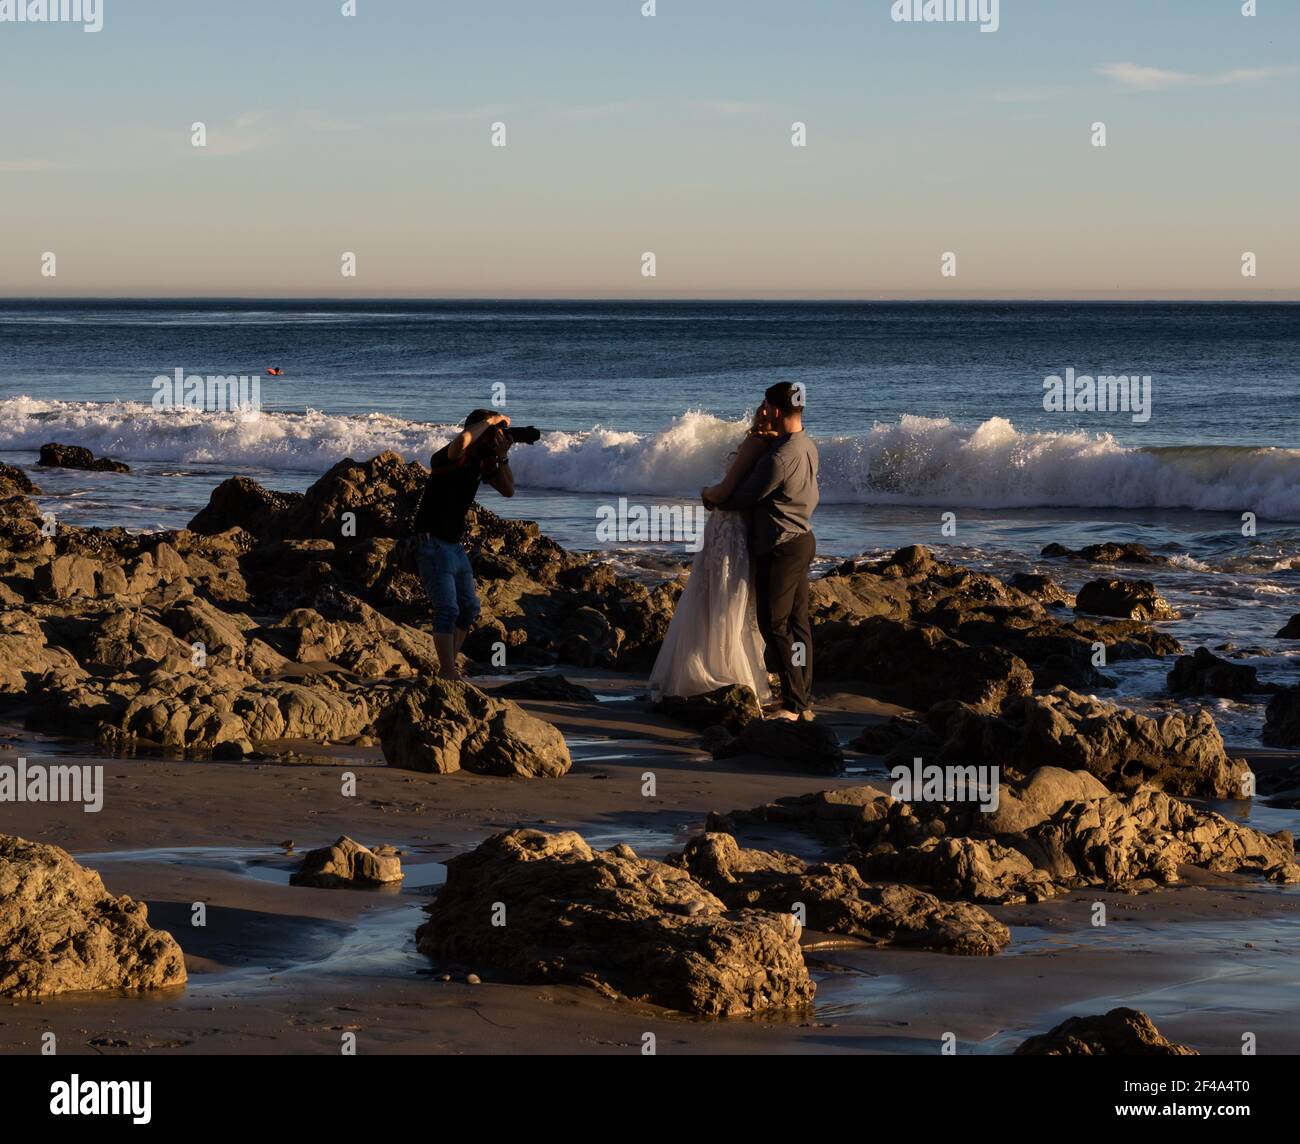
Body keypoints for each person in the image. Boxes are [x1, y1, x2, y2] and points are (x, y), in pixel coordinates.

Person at [647, 406, 778, 705]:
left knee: (713, 595)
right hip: (747, 527)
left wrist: (706, 492)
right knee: (735, 596)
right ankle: (741, 668)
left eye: (764, 406)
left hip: (727, 525)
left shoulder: (756, 442)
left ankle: (711, 667)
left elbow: (725, 489)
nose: (759, 410)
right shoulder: (778, 446)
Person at [714, 381, 819, 720]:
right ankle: (801, 698)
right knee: (798, 624)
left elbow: (741, 498)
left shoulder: (778, 457)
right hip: (802, 539)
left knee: (773, 623)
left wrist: (710, 496)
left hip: (780, 546)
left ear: (775, 411)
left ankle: (793, 704)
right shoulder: (807, 446)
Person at [410, 409, 514, 679]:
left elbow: (508, 490)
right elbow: (463, 440)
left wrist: (502, 456)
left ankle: (449, 668)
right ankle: (447, 671)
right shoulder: (449, 456)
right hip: (431, 542)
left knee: (469, 608)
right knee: (447, 608)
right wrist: (491, 421)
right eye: (493, 433)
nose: (496, 436)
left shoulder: (481, 461)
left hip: (454, 546)